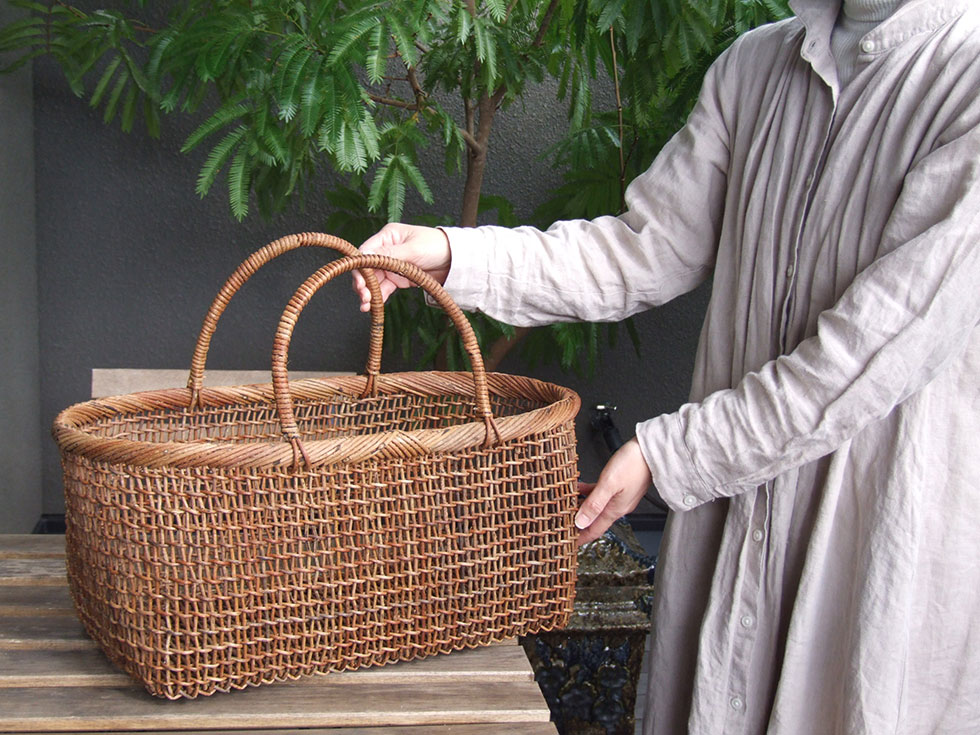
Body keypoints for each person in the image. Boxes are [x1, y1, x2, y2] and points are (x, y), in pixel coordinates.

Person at [354, 0, 980, 732]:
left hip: (870, 527)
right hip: (728, 516)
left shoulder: (965, 76)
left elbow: (870, 352)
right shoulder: (756, 64)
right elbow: (642, 249)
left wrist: (670, 453)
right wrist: (451, 253)